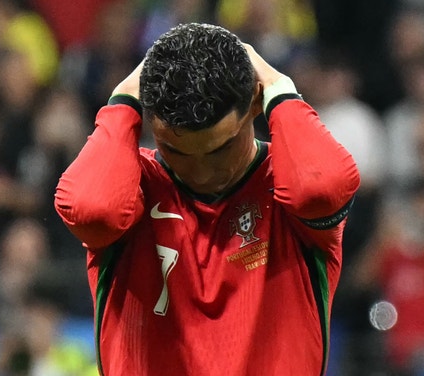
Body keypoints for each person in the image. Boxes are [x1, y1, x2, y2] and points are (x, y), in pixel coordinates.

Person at [54, 23, 360, 375]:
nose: (200, 172)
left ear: (255, 106)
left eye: (220, 149)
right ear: (149, 123)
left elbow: (324, 187)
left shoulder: (285, 183)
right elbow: (91, 209)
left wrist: (280, 88)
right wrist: (123, 101)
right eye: (175, 150)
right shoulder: (136, 185)